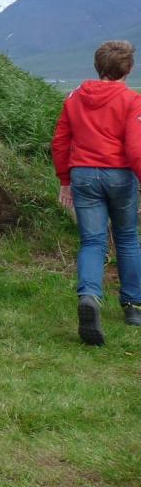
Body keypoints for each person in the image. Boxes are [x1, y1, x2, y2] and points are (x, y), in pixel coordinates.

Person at [51, 39, 141, 346]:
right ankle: (133, 307)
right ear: (127, 69)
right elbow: (135, 148)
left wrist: (65, 180)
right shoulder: (131, 100)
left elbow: (60, 142)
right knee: (127, 237)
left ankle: (90, 296)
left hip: (83, 175)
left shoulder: (74, 97)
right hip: (119, 176)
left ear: (97, 66)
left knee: (92, 240)